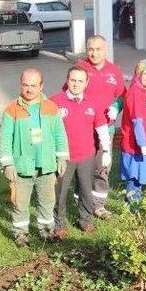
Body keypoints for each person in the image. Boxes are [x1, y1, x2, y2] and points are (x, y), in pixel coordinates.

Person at [0, 69, 69, 247]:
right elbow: (5, 139)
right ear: (21, 85)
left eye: (33, 85)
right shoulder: (11, 109)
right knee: (20, 204)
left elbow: (60, 134)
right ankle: (21, 234)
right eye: (25, 85)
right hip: (22, 168)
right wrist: (7, 164)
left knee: (47, 202)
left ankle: (47, 231)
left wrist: (62, 158)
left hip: (45, 166)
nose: (29, 89)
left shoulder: (51, 107)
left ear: (41, 86)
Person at [50, 66, 110, 238]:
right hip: (63, 158)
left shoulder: (92, 103)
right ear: (67, 80)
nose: (76, 84)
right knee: (60, 192)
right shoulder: (55, 102)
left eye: (80, 81)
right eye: (73, 80)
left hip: (86, 156)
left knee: (86, 189)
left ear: (86, 83)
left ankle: (85, 220)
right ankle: (59, 223)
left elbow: (101, 128)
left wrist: (106, 151)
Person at [75, 35, 125, 219]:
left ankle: (99, 205)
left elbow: (121, 95)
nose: (94, 53)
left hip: (107, 129)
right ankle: (81, 202)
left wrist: (116, 107)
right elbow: (69, 91)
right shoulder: (80, 68)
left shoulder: (114, 71)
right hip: (83, 128)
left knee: (102, 166)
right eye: (90, 49)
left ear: (105, 50)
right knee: (82, 166)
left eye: (98, 49)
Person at [120, 59, 146, 203]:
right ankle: (132, 212)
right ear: (138, 74)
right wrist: (143, 145)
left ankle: (133, 205)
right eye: (145, 74)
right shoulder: (135, 92)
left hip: (143, 145)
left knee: (140, 180)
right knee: (134, 179)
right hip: (134, 146)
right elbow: (137, 121)